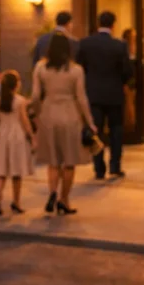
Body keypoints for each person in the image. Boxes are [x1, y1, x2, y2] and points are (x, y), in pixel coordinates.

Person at [31, 31, 96, 215]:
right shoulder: (76, 70)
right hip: (70, 115)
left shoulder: (40, 67)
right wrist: (89, 121)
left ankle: (52, 192)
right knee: (69, 161)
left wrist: (36, 112)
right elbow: (81, 98)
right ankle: (64, 199)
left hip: (48, 113)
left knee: (53, 161)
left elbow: (35, 95)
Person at [77, 11, 132, 179]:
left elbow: (79, 68)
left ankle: (98, 167)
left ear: (98, 23)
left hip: (93, 94)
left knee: (96, 131)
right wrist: (121, 82)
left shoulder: (85, 44)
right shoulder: (120, 45)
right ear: (113, 25)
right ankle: (115, 166)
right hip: (114, 94)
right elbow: (127, 71)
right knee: (116, 131)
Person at [0, 70, 36, 216]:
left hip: (2, 135)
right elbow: (25, 121)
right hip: (17, 136)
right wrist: (32, 136)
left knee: (1, 169)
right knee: (17, 171)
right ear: (16, 85)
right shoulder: (20, 101)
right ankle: (16, 202)